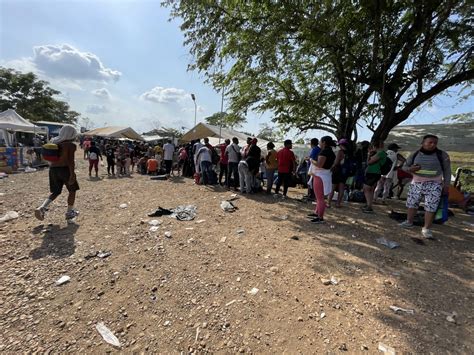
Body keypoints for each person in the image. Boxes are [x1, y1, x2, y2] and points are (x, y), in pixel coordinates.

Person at [400, 134, 451, 239]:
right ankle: (409, 222)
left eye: (435, 143)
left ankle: (426, 228)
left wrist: (446, 185)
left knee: (431, 206)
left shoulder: (443, 155)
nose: (433, 145)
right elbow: (404, 167)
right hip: (416, 183)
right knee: (412, 204)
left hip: (435, 184)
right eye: (430, 142)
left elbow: (447, 171)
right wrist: (410, 169)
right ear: (423, 143)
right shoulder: (414, 154)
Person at [35, 125, 79, 221]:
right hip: (65, 170)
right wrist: (72, 174)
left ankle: (42, 207)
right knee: (72, 190)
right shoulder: (70, 145)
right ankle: (69, 212)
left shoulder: (55, 142)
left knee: (56, 192)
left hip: (53, 169)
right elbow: (70, 161)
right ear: (71, 133)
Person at [307, 136, 336, 224]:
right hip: (325, 175)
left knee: (320, 198)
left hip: (320, 176)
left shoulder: (324, 152)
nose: (319, 142)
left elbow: (319, 164)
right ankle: (317, 213)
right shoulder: (331, 152)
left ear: (323, 142)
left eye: (320, 141)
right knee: (320, 197)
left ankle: (320, 217)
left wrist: (311, 160)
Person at [362, 140, 387, 214]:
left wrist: (369, 154)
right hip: (374, 172)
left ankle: (369, 206)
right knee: (371, 189)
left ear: (375, 146)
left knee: (366, 188)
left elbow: (369, 162)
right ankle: (368, 204)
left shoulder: (380, 153)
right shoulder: (381, 153)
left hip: (373, 172)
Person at [328, 138, 350, 208]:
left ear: (340, 144)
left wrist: (331, 168)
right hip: (344, 172)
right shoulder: (348, 152)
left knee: (333, 187)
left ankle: (328, 203)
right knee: (341, 188)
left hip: (337, 171)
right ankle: (338, 203)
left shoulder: (340, 151)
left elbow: (336, 162)